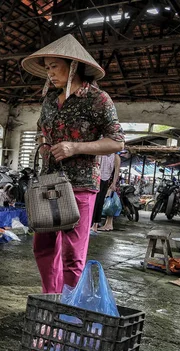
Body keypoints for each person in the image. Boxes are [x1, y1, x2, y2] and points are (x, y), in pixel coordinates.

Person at [21, 34, 125, 294]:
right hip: (48, 183)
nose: (50, 73)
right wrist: (45, 142)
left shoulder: (98, 100)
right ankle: (51, 298)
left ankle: (68, 307)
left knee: (73, 255)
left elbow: (117, 142)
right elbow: (42, 130)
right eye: (46, 68)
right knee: (43, 247)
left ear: (73, 66)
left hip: (81, 185)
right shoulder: (49, 100)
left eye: (54, 66)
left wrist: (75, 147)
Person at [91, 153, 121, 233]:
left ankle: (95, 225)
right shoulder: (101, 153)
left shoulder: (115, 156)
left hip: (107, 182)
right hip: (99, 179)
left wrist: (113, 184)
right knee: (97, 202)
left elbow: (117, 171)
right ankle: (94, 224)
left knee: (101, 202)